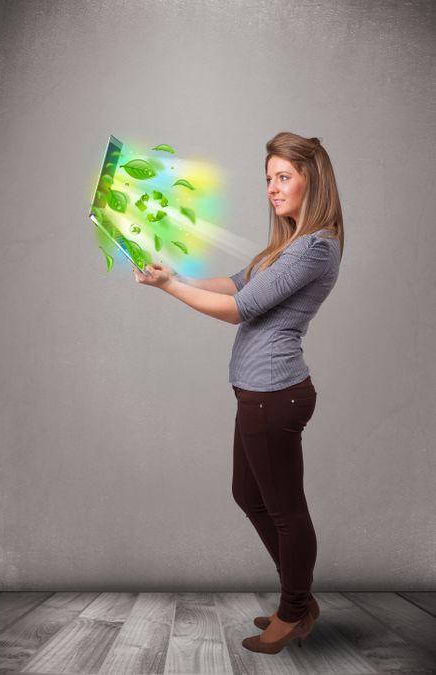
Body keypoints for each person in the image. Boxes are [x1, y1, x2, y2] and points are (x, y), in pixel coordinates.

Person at [132, 131, 344, 655]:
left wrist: (168, 289)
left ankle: (294, 609)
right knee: (249, 495)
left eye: (284, 177)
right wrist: (178, 273)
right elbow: (236, 281)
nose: (272, 188)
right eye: (269, 178)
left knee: (285, 509)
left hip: (277, 395)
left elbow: (241, 308)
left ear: (312, 182)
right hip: (258, 392)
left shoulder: (317, 247)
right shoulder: (288, 244)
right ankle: (298, 597)